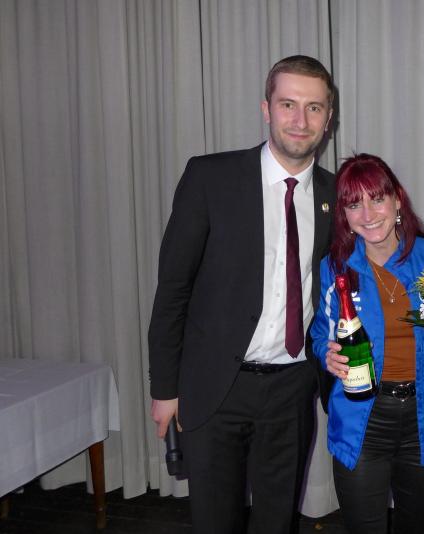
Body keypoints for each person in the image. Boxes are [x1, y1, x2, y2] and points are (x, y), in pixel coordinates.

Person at [148, 55, 336, 534]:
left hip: (292, 388)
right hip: (217, 386)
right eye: (288, 104)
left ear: (328, 117)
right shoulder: (210, 178)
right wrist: (165, 389)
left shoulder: (334, 196)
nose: (300, 119)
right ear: (266, 109)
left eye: (314, 107)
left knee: (277, 522)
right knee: (215, 522)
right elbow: (172, 290)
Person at [310, 154, 424, 534]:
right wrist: (326, 354)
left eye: (377, 199)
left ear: (397, 200)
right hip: (363, 419)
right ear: (344, 214)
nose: (367, 214)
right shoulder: (336, 268)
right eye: (354, 204)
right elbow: (320, 332)